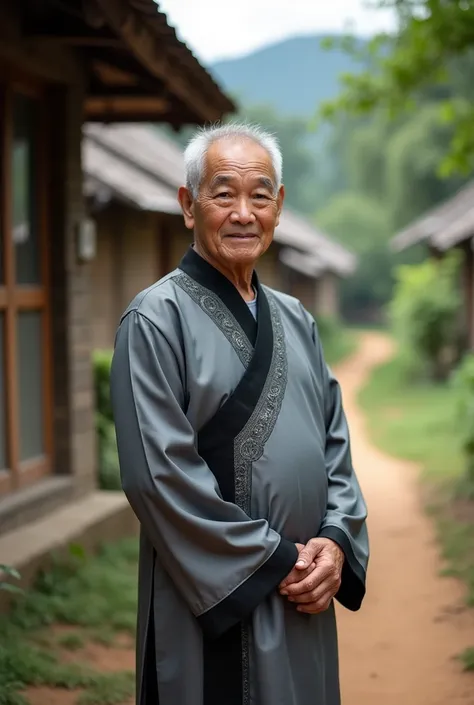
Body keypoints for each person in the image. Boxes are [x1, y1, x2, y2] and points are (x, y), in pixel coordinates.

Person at [110, 123, 369, 705]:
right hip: (214, 596)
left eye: (260, 196)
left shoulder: (297, 318)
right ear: (187, 205)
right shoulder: (155, 320)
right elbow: (156, 476)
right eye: (223, 193)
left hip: (303, 593)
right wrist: (273, 560)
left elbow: (335, 446)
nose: (243, 213)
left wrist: (333, 542)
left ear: (279, 208)